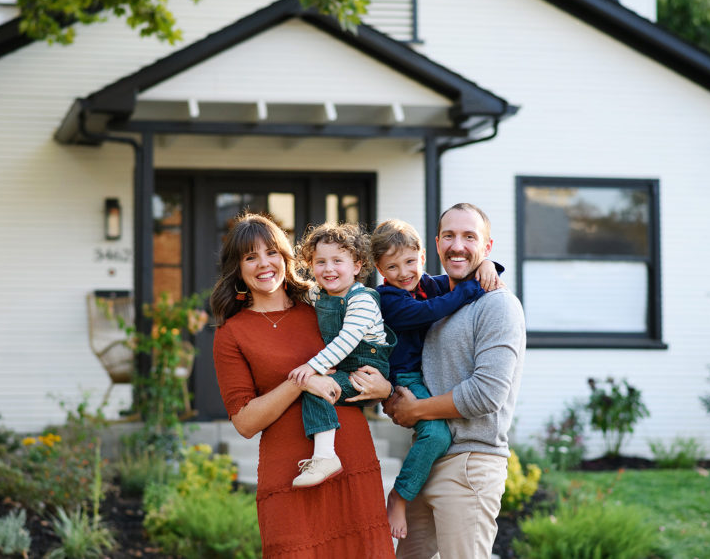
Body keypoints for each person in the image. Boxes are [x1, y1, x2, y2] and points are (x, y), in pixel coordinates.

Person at [211, 213, 396, 558]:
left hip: (351, 461)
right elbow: (245, 422)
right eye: (251, 257)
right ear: (238, 268)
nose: (264, 264)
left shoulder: (323, 305)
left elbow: (362, 366)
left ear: (286, 257)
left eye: (271, 253)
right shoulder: (231, 334)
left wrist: (384, 389)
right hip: (290, 475)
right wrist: (302, 382)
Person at [383, 203, 526, 558]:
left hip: (470, 463)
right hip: (427, 460)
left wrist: (416, 410)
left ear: (487, 247)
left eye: (469, 237)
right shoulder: (431, 295)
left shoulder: (497, 305)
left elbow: (486, 394)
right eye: (449, 236)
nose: (457, 245)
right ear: (436, 244)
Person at [287, 223, 396, 488]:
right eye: (320, 261)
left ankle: (325, 456)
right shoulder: (318, 294)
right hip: (343, 368)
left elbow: (346, 340)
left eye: (338, 260)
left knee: (317, 389)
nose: (328, 268)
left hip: (364, 369)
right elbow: (294, 296)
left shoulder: (362, 300)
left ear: (357, 266)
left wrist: (314, 366)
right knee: (318, 386)